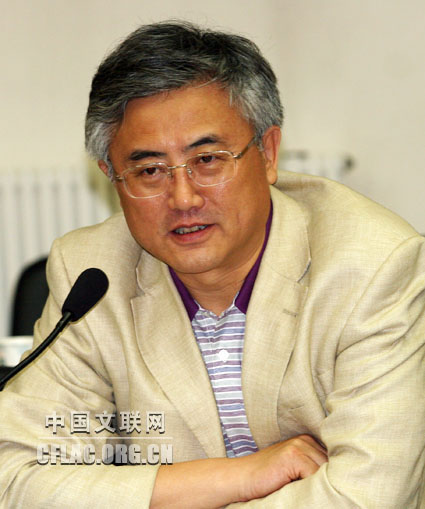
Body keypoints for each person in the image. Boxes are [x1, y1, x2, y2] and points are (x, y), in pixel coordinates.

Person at [0, 20, 424, 508]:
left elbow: (366, 498)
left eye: (208, 160)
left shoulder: (373, 267)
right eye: (150, 170)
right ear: (112, 176)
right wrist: (239, 477)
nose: (183, 198)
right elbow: (17, 480)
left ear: (268, 153)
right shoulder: (91, 277)